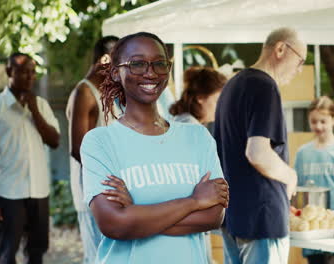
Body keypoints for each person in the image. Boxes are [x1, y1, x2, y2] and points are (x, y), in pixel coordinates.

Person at [79, 31, 229, 263]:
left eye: (159, 63)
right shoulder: (99, 142)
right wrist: (193, 202)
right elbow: (115, 225)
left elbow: (214, 216)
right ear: (116, 73)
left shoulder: (198, 137)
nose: (150, 72)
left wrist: (136, 214)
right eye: (137, 64)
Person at [214, 27, 305, 264]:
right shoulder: (265, 86)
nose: (300, 69)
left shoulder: (232, 86)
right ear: (281, 48)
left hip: (232, 216)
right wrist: (290, 175)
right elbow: (258, 153)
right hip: (261, 218)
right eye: (300, 60)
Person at [0, 53, 60, 264]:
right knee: (6, 254)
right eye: (23, 72)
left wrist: (34, 110)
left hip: (39, 193)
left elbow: (54, 141)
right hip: (8, 194)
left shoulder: (41, 105)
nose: (29, 77)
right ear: (9, 72)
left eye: (33, 72)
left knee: (37, 252)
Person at [65, 35, 120, 264]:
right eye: (120, 62)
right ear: (105, 59)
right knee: (97, 256)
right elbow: (78, 148)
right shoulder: (85, 93)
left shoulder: (108, 93)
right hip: (93, 191)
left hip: (109, 189)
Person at [168, 66, 227, 263]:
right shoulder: (190, 129)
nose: (221, 107)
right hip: (188, 220)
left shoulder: (183, 123)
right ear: (201, 97)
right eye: (218, 100)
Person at [294, 96, 334, 263]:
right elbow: (298, 188)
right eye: (314, 121)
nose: (318, 126)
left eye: (323, 121)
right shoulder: (303, 153)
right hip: (311, 225)